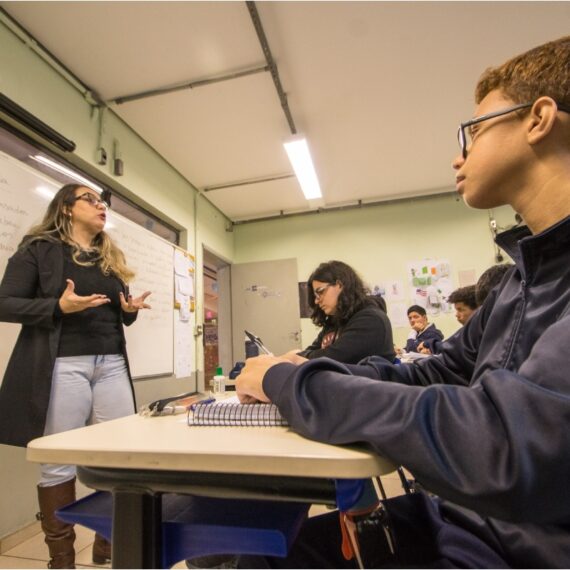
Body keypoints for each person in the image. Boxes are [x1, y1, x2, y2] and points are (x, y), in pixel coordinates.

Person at [236, 36, 570, 568]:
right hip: (464, 523)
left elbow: (501, 444)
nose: (459, 156)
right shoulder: (515, 284)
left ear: (538, 119)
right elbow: (433, 374)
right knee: (252, 554)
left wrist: (288, 381)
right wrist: (304, 368)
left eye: (475, 130)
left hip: (520, 552)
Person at [0, 184, 151, 569]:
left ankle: (107, 543)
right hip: (63, 365)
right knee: (59, 463)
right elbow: (5, 303)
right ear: (66, 208)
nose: (101, 207)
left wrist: (129, 310)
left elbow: (116, 313)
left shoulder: (107, 255)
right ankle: (62, 558)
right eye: (92, 200)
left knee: (120, 459)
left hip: (111, 365)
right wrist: (57, 306)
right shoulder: (38, 249)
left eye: (103, 203)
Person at [284, 261, 395, 364]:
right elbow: (314, 350)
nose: (316, 301)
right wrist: (297, 356)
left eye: (320, 292)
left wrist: (295, 356)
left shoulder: (371, 320)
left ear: (340, 285)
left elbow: (333, 357)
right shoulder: (335, 320)